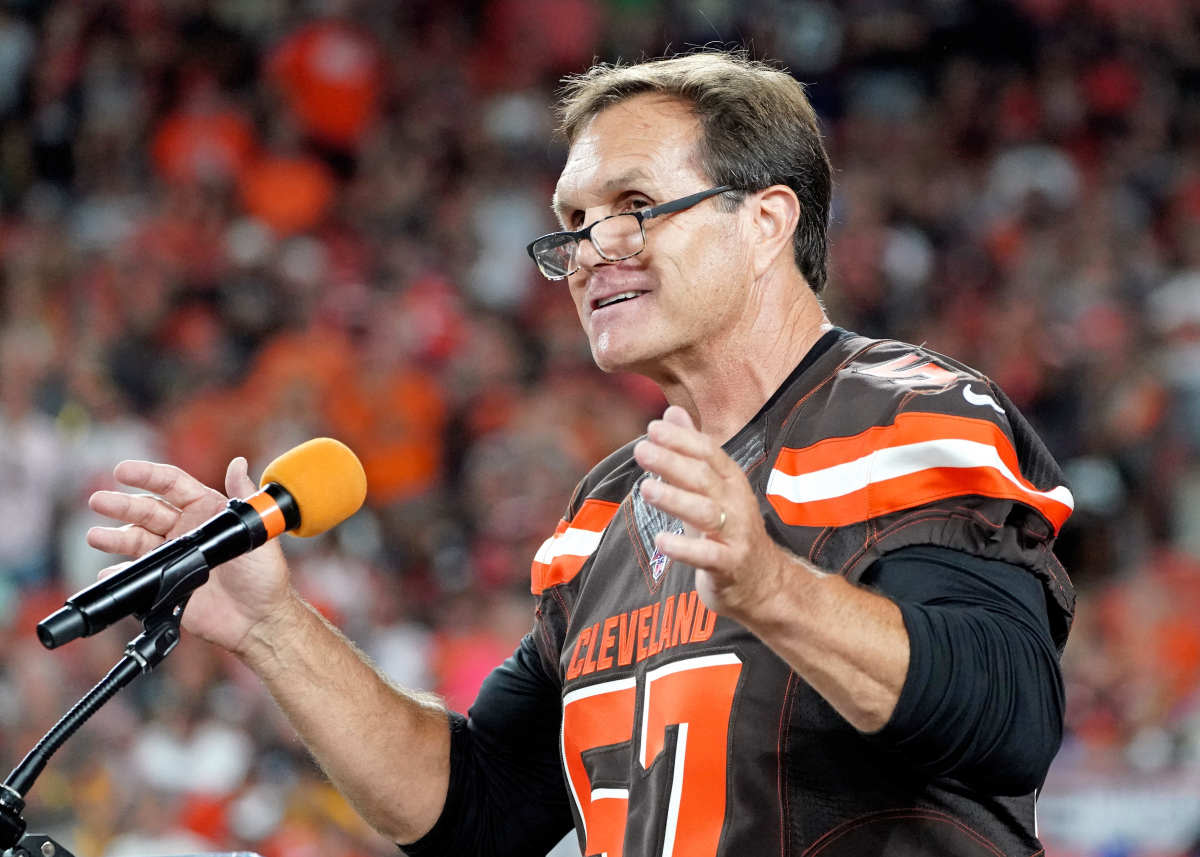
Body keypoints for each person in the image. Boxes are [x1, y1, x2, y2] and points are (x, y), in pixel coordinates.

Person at [88, 51, 1076, 857]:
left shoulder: (910, 413)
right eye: (572, 221)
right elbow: (474, 812)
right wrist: (274, 623)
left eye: (633, 205)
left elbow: (1009, 718)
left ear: (766, 219)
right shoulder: (604, 512)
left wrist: (772, 587)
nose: (592, 247)